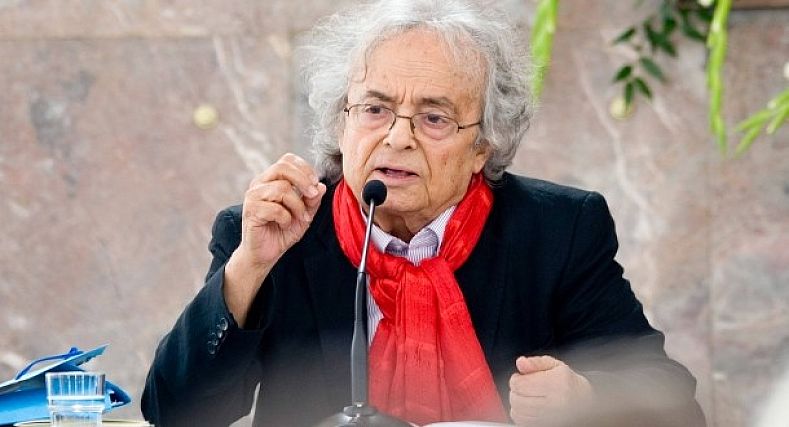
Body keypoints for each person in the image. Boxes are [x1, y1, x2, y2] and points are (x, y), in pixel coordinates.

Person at [141, 1, 706, 426]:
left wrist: (586, 399)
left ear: (484, 145)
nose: (397, 138)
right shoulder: (279, 232)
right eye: (374, 109)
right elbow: (174, 414)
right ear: (341, 121)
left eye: (434, 118)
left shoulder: (557, 230)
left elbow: (672, 403)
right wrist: (248, 268)